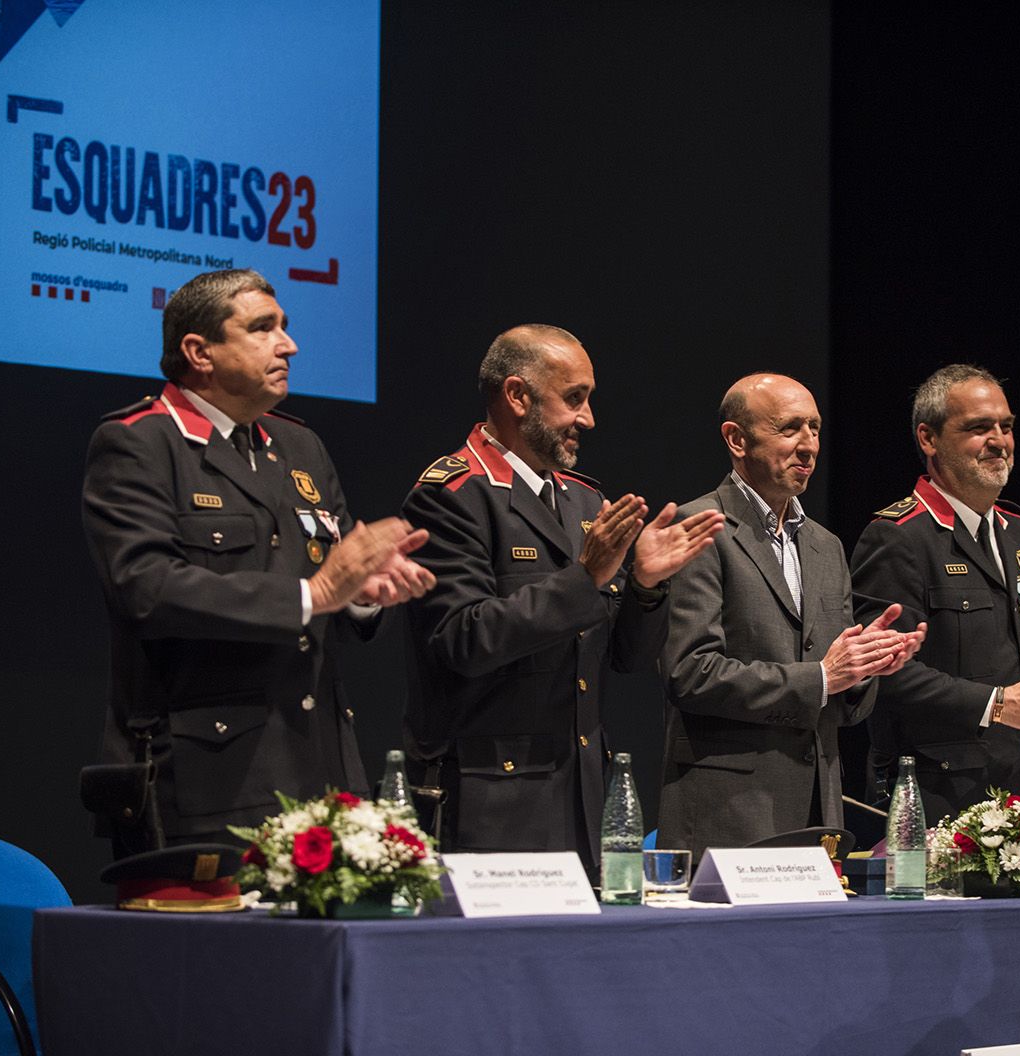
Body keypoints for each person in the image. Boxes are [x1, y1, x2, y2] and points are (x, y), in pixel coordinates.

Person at [82, 268, 433, 858]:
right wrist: (313, 595)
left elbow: (333, 587)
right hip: (204, 779)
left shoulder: (300, 447)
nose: (288, 344)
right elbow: (144, 587)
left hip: (320, 769)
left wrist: (363, 593)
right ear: (199, 352)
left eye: (285, 328)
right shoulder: (141, 442)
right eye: (263, 328)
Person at [401, 324, 723, 870]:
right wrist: (585, 577)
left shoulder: (584, 500)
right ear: (517, 395)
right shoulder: (451, 495)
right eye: (575, 398)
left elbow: (627, 658)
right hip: (493, 801)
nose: (589, 418)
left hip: (582, 794)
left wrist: (645, 585)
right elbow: (464, 640)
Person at [657, 373, 924, 859]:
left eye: (816, 428)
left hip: (817, 816)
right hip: (728, 815)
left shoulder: (826, 546)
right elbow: (690, 673)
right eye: (790, 428)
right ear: (736, 439)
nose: (809, 445)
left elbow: (840, 706)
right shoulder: (701, 527)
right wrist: (822, 676)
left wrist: (865, 671)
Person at [850, 364, 1020, 826]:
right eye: (979, 428)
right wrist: (998, 704)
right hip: (933, 804)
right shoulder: (897, 538)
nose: (999, 440)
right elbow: (884, 676)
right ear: (928, 439)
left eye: (1007, 426)